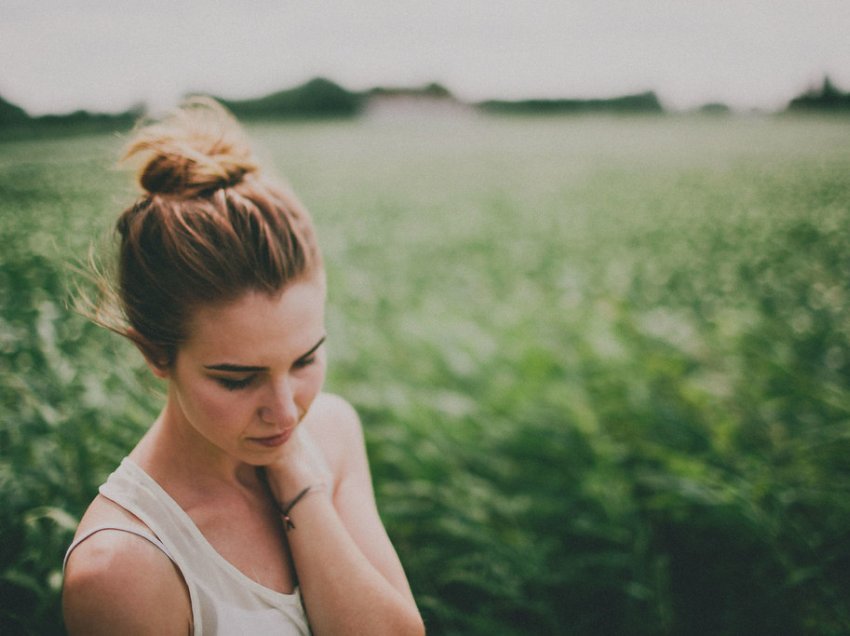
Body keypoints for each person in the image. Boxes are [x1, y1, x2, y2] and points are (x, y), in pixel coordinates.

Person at [62, 98, 425, 635]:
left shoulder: (332, 430)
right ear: (156, 354)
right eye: (237, 379)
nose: (285, 411)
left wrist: (298, 481)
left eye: (305, 360)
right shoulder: (122, 567)